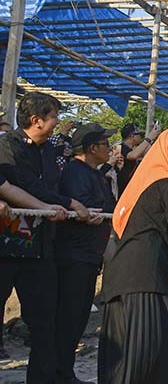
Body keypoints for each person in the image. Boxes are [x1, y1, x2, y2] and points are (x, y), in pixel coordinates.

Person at [98, 129, 168, 384]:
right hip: (143, 277)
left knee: (155, 349)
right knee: (139, 355)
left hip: (124, 274)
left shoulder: (146, 180)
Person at [0, 92, 87, 383]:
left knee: (44, 321)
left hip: (40, 249)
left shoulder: (50, 151)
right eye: (54, 117)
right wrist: (61, 204)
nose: (57, 122)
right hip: (5, 249)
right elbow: (21, 185)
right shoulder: (7, 147)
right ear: (37, 120)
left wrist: (73, 206)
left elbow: (50, 188)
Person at [55, 123, 117, 383]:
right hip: (74, 256)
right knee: (69, 317)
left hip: (89, 255)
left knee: (79, 316)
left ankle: (64, 371)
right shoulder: (75, 172)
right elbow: (87, 208)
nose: (110, 149)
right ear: (92, 148)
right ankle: (59, 373)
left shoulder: (96, 174)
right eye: (105, 144)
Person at [117, 122, 160, 195]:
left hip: (130, 189)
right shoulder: (120, 148)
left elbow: (148, 153)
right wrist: (149, 138)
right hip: (121, 191)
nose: (141, 137)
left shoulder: (132, 149)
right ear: (132, 136)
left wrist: (153, 137)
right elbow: (133, 155)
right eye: (140, 135)